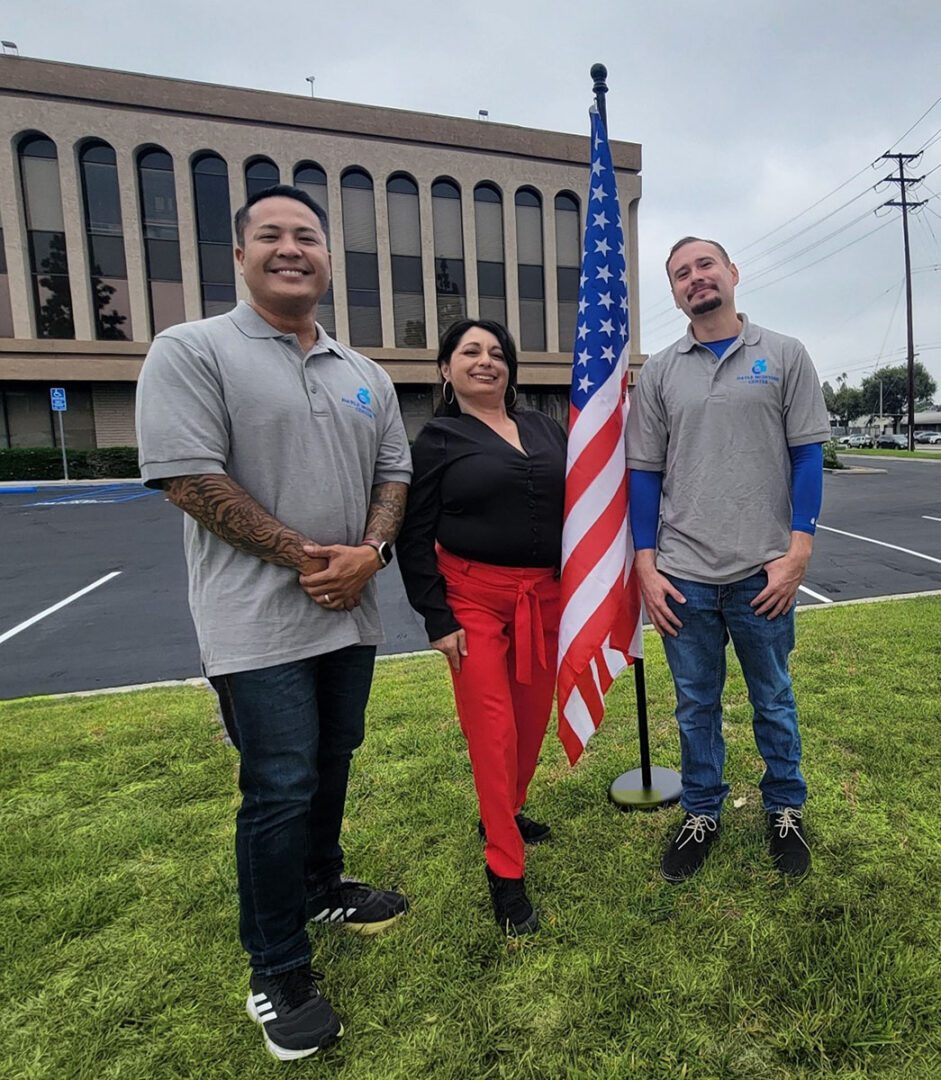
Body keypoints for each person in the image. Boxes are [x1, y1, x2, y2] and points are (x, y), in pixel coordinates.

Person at [135, 185, 412, 1061]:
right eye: (271, 235)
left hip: (352, 615)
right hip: (255, 628)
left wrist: (370, 551)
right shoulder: (192, 349)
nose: (290, 248)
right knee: (278, 787)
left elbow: (394, 477)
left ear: (328, 258)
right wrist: (309, 557)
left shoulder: (363, 373)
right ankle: (277, 967)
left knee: (332, 763)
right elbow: (188, 479)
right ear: (240, 257)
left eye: (307, 237)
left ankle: (322, 886)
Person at [626, 236, 830, 884]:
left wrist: (797, 549)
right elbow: (643, 474)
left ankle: (784, 810)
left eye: (704, 265)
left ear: (731, 273)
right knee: (694, 706)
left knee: (772, 698)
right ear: (675, 291)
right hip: (683, 574)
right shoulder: (658, 370)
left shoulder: (784, 355)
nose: (694, 278)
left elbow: (806, 456)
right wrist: (644, 565)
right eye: (680, 273)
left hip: (761, 571)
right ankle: (701, 811)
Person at [397, 319, 567, 936]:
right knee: (492, 731)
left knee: (529, 723)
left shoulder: (548, 429)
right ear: (446, 369)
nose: (486, 361)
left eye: (497, 353)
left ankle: (507, 810)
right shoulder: (437, 441)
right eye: (470, 352)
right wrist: (436, 617)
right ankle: (505, 870)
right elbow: (413, 534)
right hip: (472, 601)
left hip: (545, 599)